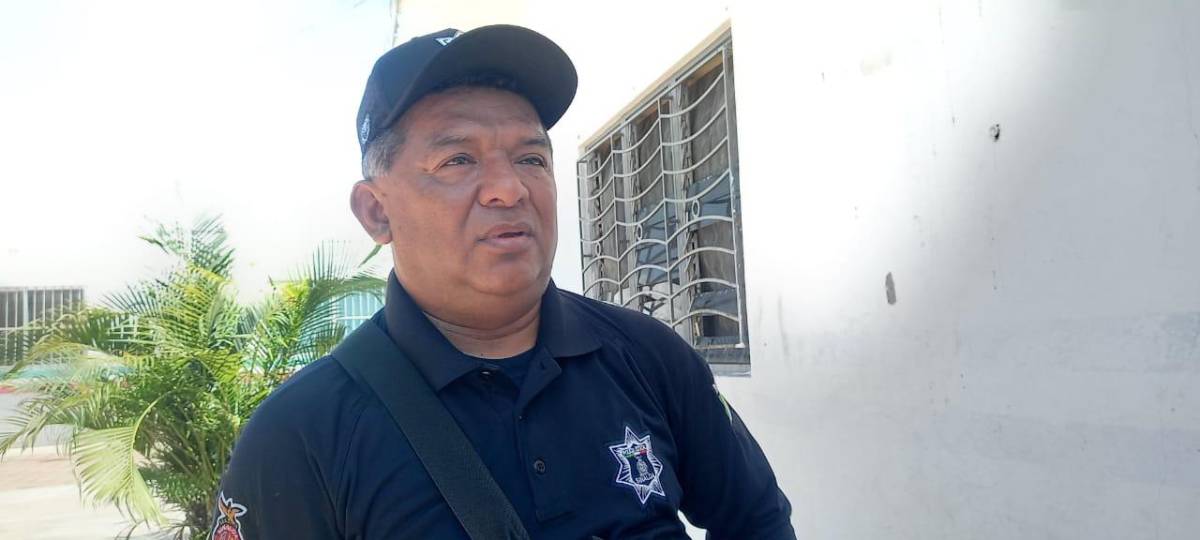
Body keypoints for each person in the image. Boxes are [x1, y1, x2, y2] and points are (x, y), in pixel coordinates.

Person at [211, 24, 795, 539]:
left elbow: (757, 520)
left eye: (531, 159)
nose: (509, 189)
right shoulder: (302, 432)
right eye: (458, 160)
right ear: (376, 212)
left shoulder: (648, 356)